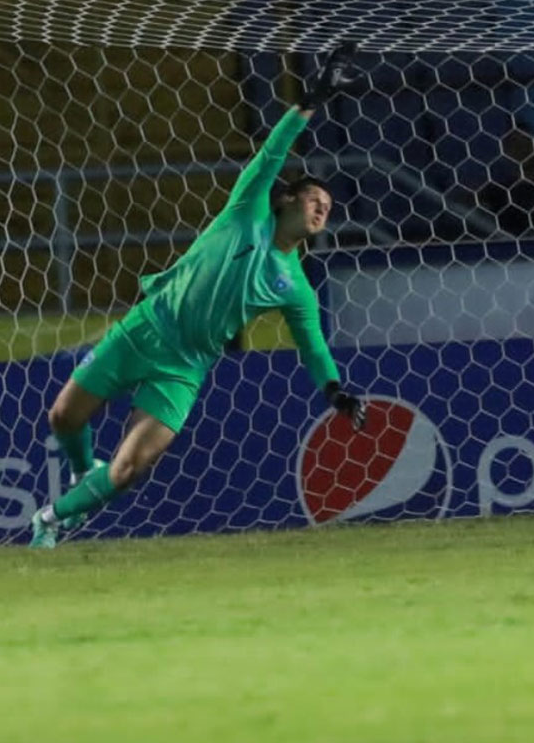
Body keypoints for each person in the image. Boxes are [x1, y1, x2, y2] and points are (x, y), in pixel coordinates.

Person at [30, 44, 369, 548]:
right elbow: (272, 152)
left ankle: (51, 522)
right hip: (146, 327)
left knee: (128, 468)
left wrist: (334, 389)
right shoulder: (247, 212)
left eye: (328, 207)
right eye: (315, 200)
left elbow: (313, 343)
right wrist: (309, 101)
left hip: (186, 365)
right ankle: (84, 480)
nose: (322, 210)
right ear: (288, 200)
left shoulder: (294, 283)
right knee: (63, 417)